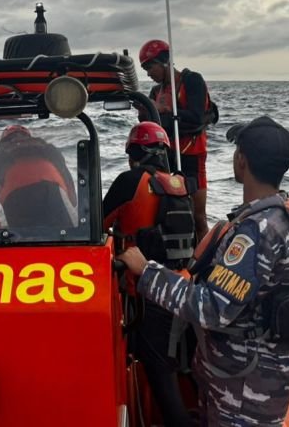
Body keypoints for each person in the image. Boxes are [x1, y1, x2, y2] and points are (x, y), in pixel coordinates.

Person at [118, 116, 289, 426]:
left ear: (241, 160)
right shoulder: (282, 217)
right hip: (256, 377)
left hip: (246, 388)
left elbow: (211, 308)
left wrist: (145, 271)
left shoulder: (256, 232)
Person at [103, 122, 195, 426]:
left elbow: (97, 225)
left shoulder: (130, 181)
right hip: (183, 289)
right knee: (174, 367)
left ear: (134, 152)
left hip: (147, 296)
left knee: (160, 374)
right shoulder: (180, 185)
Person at [138, 39, 217, 242]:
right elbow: (149, 124)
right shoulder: (155, 92)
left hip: (192, 156)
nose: (148, 73)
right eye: (145, 68)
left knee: (198, 217)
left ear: (164, 61)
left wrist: (164, 112)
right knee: (162, 212)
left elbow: (197, 117)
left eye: (149, 66)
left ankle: (202, 261)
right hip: (166, 157)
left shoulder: (191, 81)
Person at [0, 125, 77, 227]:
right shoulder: (49, 150)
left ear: (3, 142)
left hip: (15, 198)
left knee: (28, 239)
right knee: (64, 236)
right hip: (53, 190)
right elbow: (72, 198)